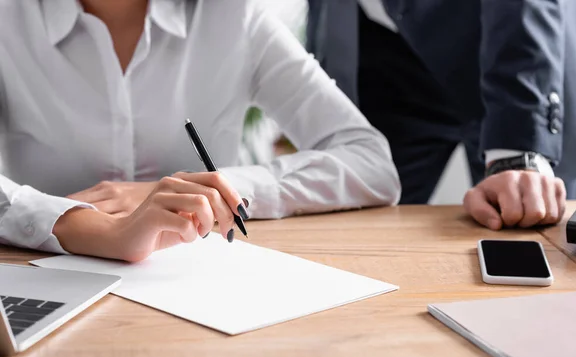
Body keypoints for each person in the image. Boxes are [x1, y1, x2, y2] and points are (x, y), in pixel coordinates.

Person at [0, 0, 401, 262]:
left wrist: (219, 191)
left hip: (201, 288)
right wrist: (77, 224)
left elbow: (370, 162)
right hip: (47, 273)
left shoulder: (234, 16)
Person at [307, 0, 576, 229]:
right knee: (359, 236)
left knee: (527, 231)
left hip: (520, 63)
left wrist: (518, 151)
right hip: (389, 59)